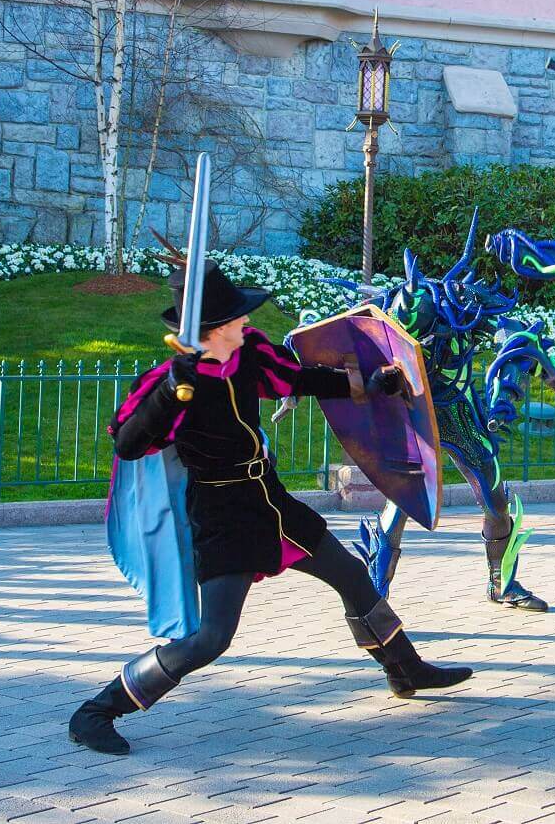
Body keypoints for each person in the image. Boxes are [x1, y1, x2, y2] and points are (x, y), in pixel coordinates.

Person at [69, 261, 471, 756]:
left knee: (350, 573)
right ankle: (97, 711)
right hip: (222, 517)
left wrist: (373, 380)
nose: (246, 324)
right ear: (212, 330)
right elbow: (129, 443)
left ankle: (404, 668)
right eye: (236, 319)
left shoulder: (249, 355)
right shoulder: (168, 384)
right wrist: (172, 393)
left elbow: (298, 378)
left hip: (270, 501)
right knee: (211, 638)